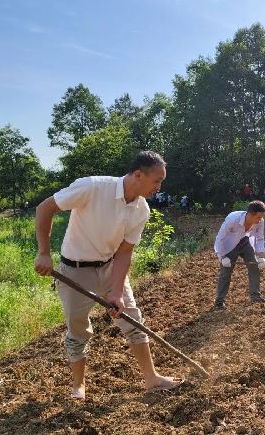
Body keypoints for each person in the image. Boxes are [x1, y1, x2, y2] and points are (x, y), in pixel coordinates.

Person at [33, 151, 183, 399]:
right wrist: (43, 254)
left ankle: (151, 378)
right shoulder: (92, 187)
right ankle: (79, 385)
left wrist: (116, 291)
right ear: (138, 175)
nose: (159, 187)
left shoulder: (141, 209)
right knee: (78, 329)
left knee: (132, 319)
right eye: (157, 181)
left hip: (109, 267)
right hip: (75, 271)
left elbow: (124, 252)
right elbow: (44, 208)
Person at [214, 200, 265, 309]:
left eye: (261, 217)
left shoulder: (260, 221)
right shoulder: (232, 219)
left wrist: (261, 256)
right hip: (230, 245)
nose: (260, 220)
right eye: (258, 217)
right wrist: (223, 256)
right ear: (249, 215)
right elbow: (220, 238)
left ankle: (255, 295)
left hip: (245, 241)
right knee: (226, 271)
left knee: (254, 266)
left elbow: (260, 238)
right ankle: (219, 301)